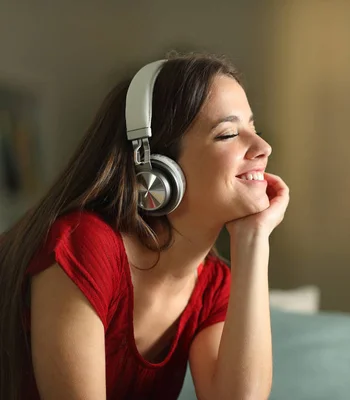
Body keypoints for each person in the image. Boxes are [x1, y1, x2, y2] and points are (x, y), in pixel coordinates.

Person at [0, 52, 289, 400]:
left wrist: (253, 239)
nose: (262, 147)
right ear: (157, 168)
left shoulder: (213, 286)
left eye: (253, 128)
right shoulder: (85, 245)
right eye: (228, 134)